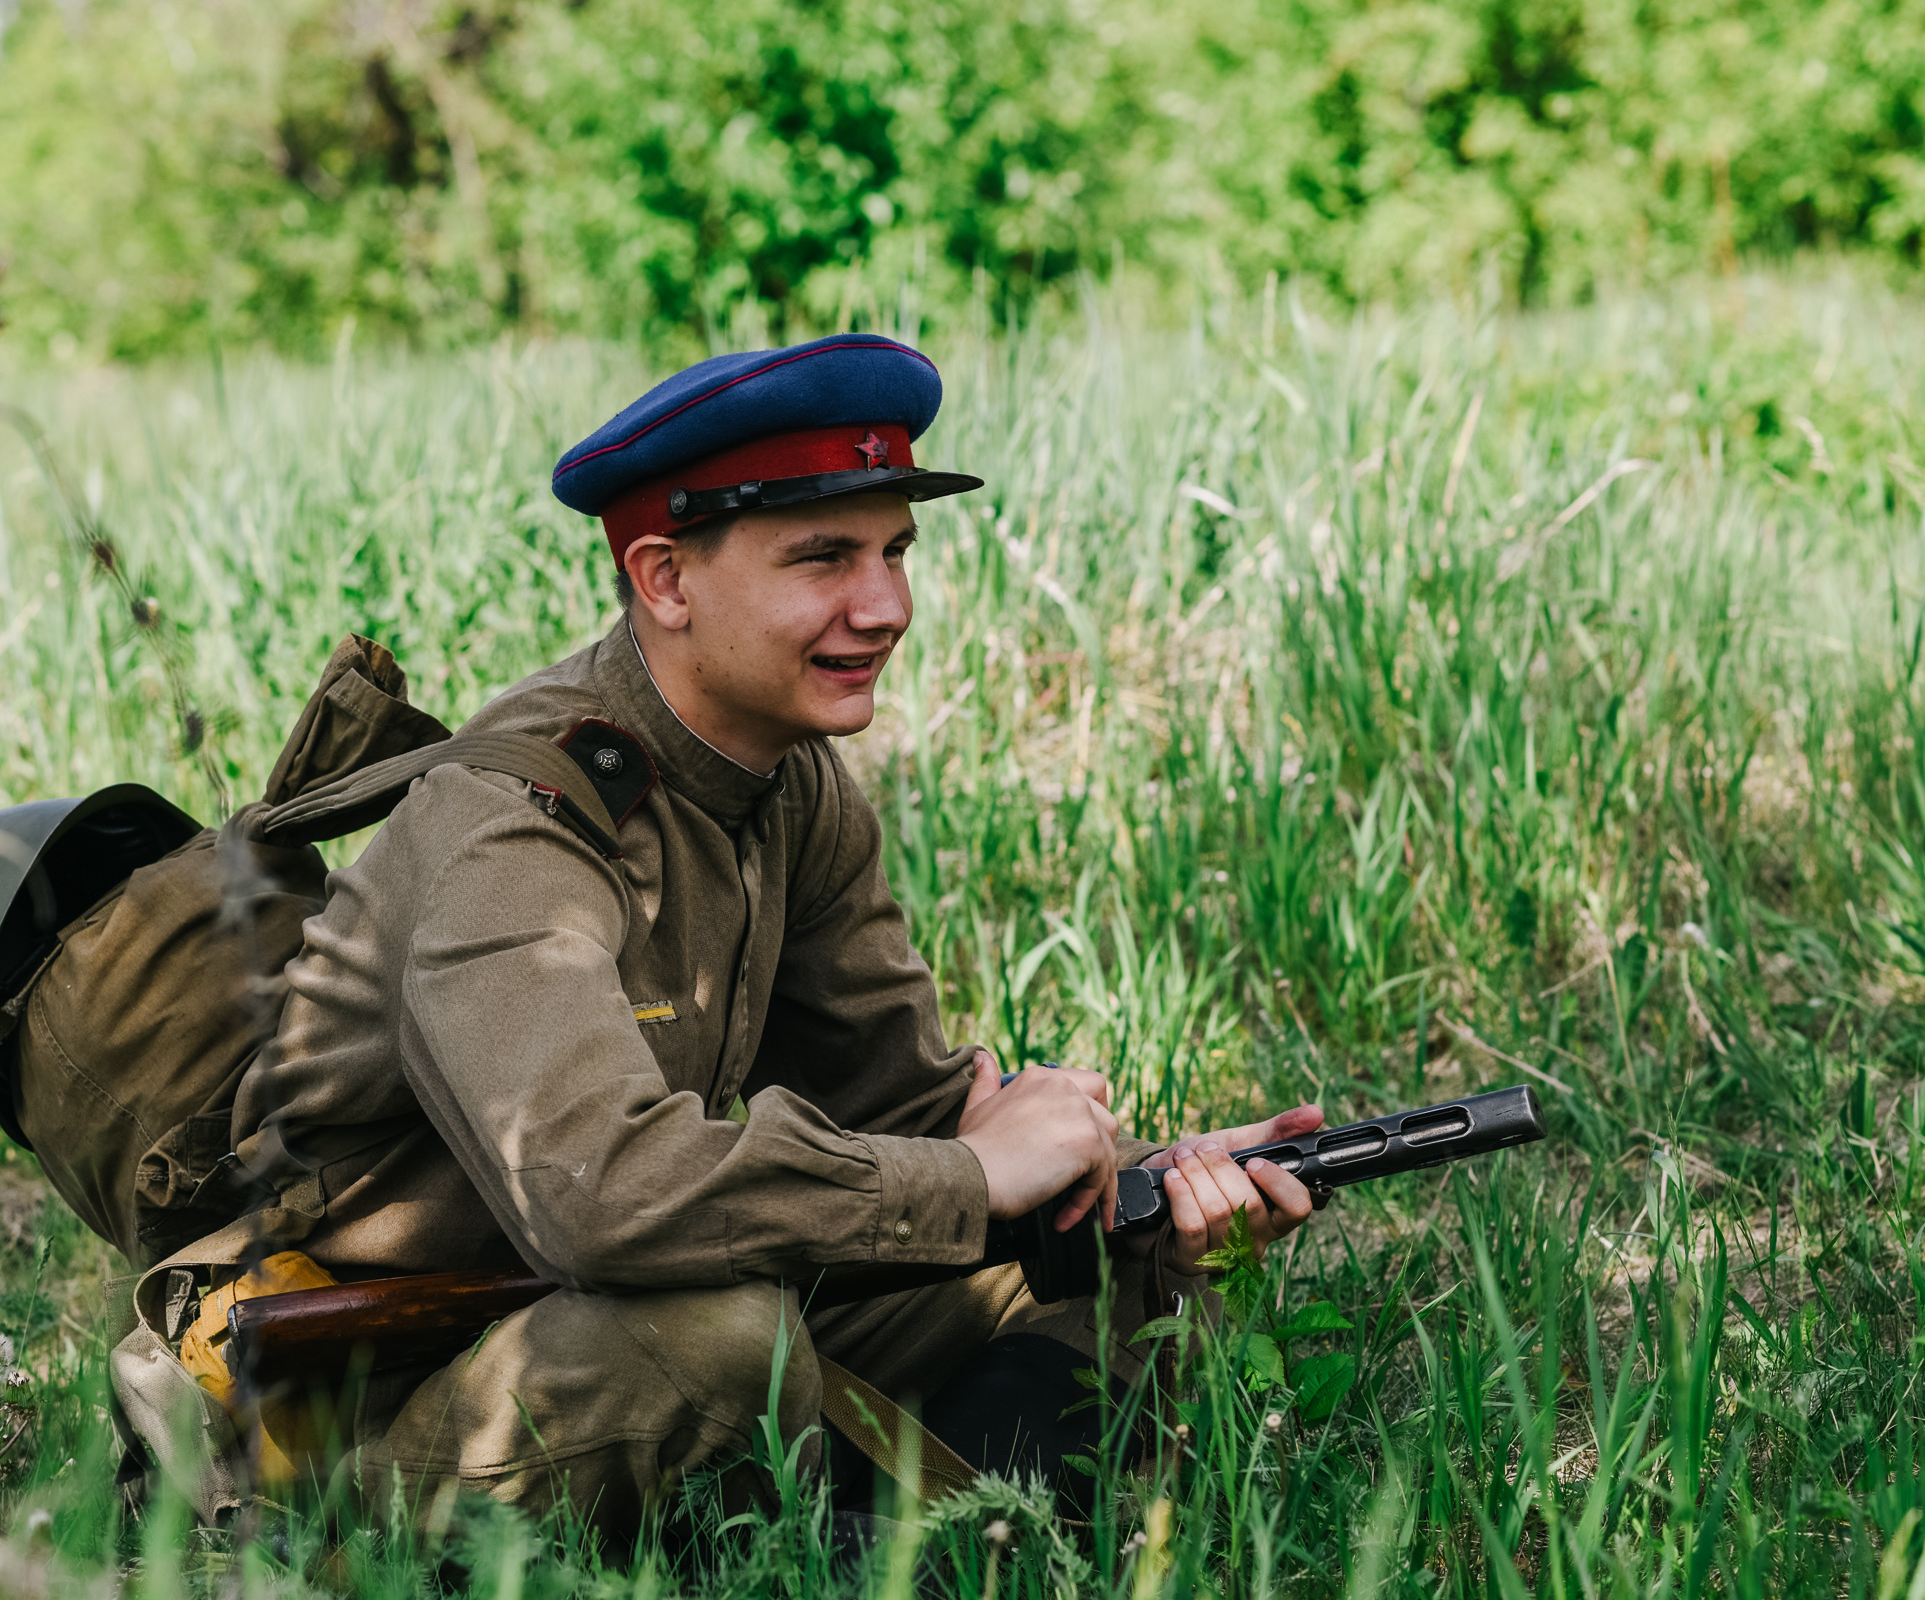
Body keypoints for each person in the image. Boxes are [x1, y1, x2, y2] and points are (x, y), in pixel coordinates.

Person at [223, 332, 1328, 1540]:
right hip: (358, 1390)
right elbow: (599, 1194)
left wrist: (1151, 1188)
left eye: (895, 551)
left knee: (1114, 1273)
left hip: (589, 1303)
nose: (886, 606)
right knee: (727, 1334)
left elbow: (905, 1111)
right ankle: (357, 1540)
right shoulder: (514, 828)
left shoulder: (786, 781)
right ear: (665, 579)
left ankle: (936, 1541)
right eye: (824, 558)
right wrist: (971, 1178)